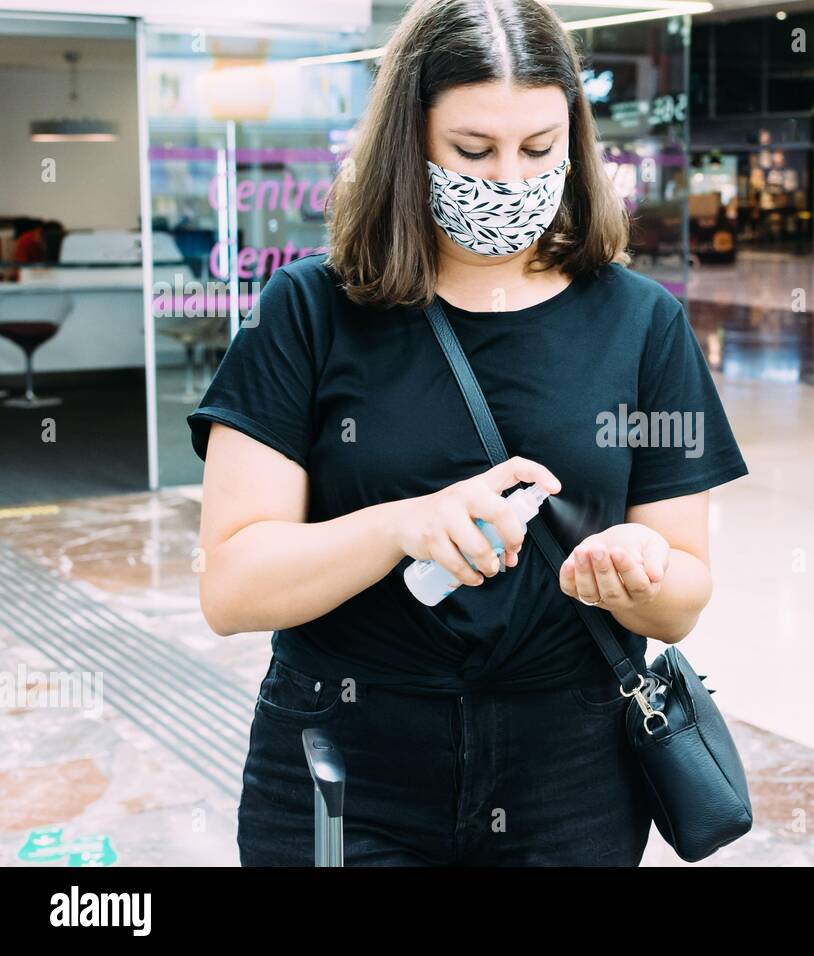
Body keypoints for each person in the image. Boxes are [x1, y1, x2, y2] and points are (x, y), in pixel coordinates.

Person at [188, 0, 748, 866]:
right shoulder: (304, 312)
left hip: (570, 770)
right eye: (474, 151)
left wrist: (633, 571)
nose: (511, 179)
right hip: (344, 764)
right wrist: (398, 526)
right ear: (409, 144)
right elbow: (232, 587)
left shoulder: (643, 325)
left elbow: (683, 598)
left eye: (540, 148)